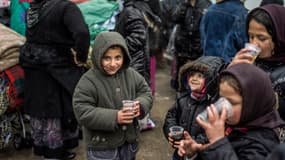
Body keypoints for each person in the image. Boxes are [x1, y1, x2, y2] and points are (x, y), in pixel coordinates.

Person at [19, 0, 90, 158]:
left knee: (43, 110)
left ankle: (50, 150)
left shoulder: (34, 7)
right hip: (57, 68)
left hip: (33, 65)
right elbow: (82, 33)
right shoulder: (66, 7)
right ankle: (55, 152)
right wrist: (81, 57)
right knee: (56, 108)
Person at [73, 31, 153, 160]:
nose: (113, 63)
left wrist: (141, 105)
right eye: (106, 58)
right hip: (102, 147)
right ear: (98, 56)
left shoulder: (130, 74)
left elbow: (145, 92)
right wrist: (115, 117)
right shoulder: (88, 81)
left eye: (118, 57)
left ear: (124, 56)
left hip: (129, 143)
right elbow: (82, 111)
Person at [178, 63, 285, 159]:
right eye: (222, 99)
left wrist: (218, 142)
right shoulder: (236, 125)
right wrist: (196, 152)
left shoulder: (262, 145)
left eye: (232, 103)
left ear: (253, 104)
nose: (224, 107)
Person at [163, 56, 225, 160]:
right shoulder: (182, 98)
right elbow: (171, 117)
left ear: (211, 81)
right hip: (180, 152)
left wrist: (194, 143)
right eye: (191, 75)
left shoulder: (213, 105)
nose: (194, 78)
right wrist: (170, 132)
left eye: (200, 76)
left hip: (201, 154)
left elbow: (212, 132)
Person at [229, 4, 285, 120]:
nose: (254, 43)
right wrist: (231, 72)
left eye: (262, 38)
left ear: (279, 38)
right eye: (250, 36)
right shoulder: (249, 62)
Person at [170, 0, 212, 90]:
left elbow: (208, 26)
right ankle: (181, 95)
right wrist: (185, 4)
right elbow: (174, 18)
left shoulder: (206, 4)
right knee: (181, 78)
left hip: (198, 49)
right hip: (182, 48)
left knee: (196, 78)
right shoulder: (183, 4)